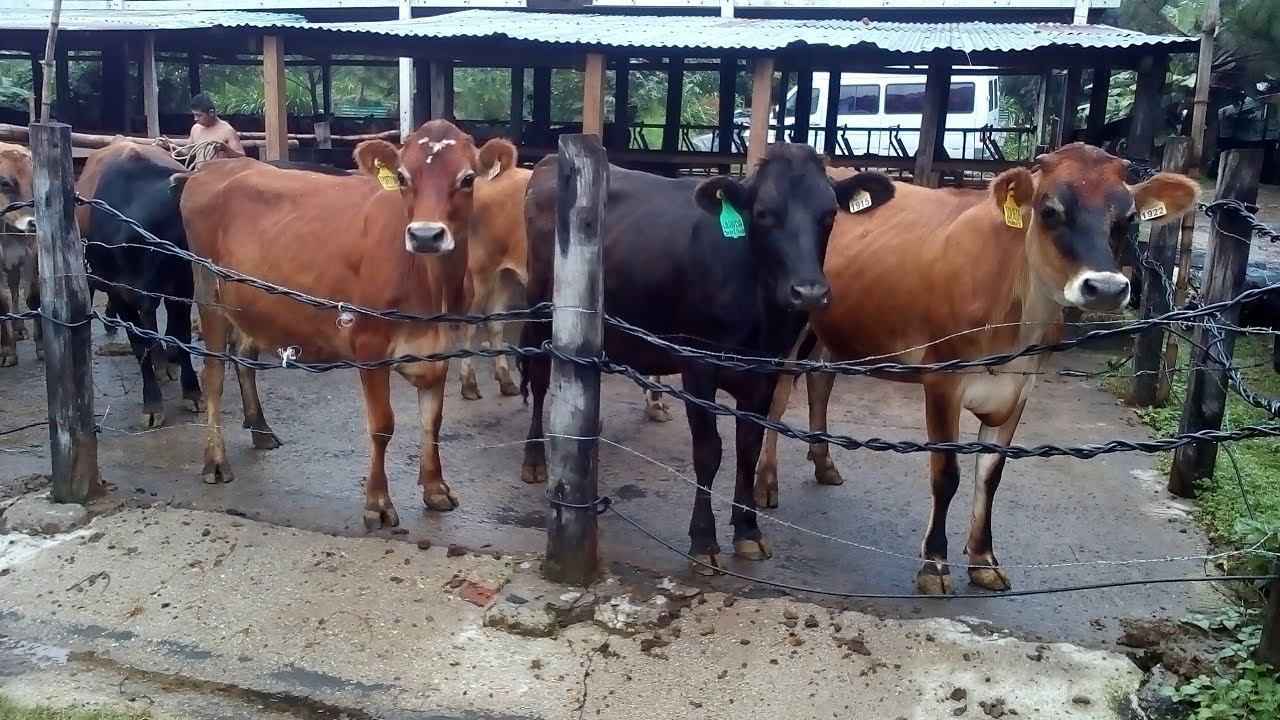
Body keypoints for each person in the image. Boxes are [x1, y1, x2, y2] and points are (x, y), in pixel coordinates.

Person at [157, 93, 245, 156]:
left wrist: (226, 149)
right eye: (194, 115)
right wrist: (172, 147)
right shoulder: (196, 129)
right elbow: (188, 152)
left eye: (199, 115)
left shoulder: (227, 131)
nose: (195, 119)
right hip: (199, 174)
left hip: (219, 177)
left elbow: (242, 157)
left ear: (211, 113)